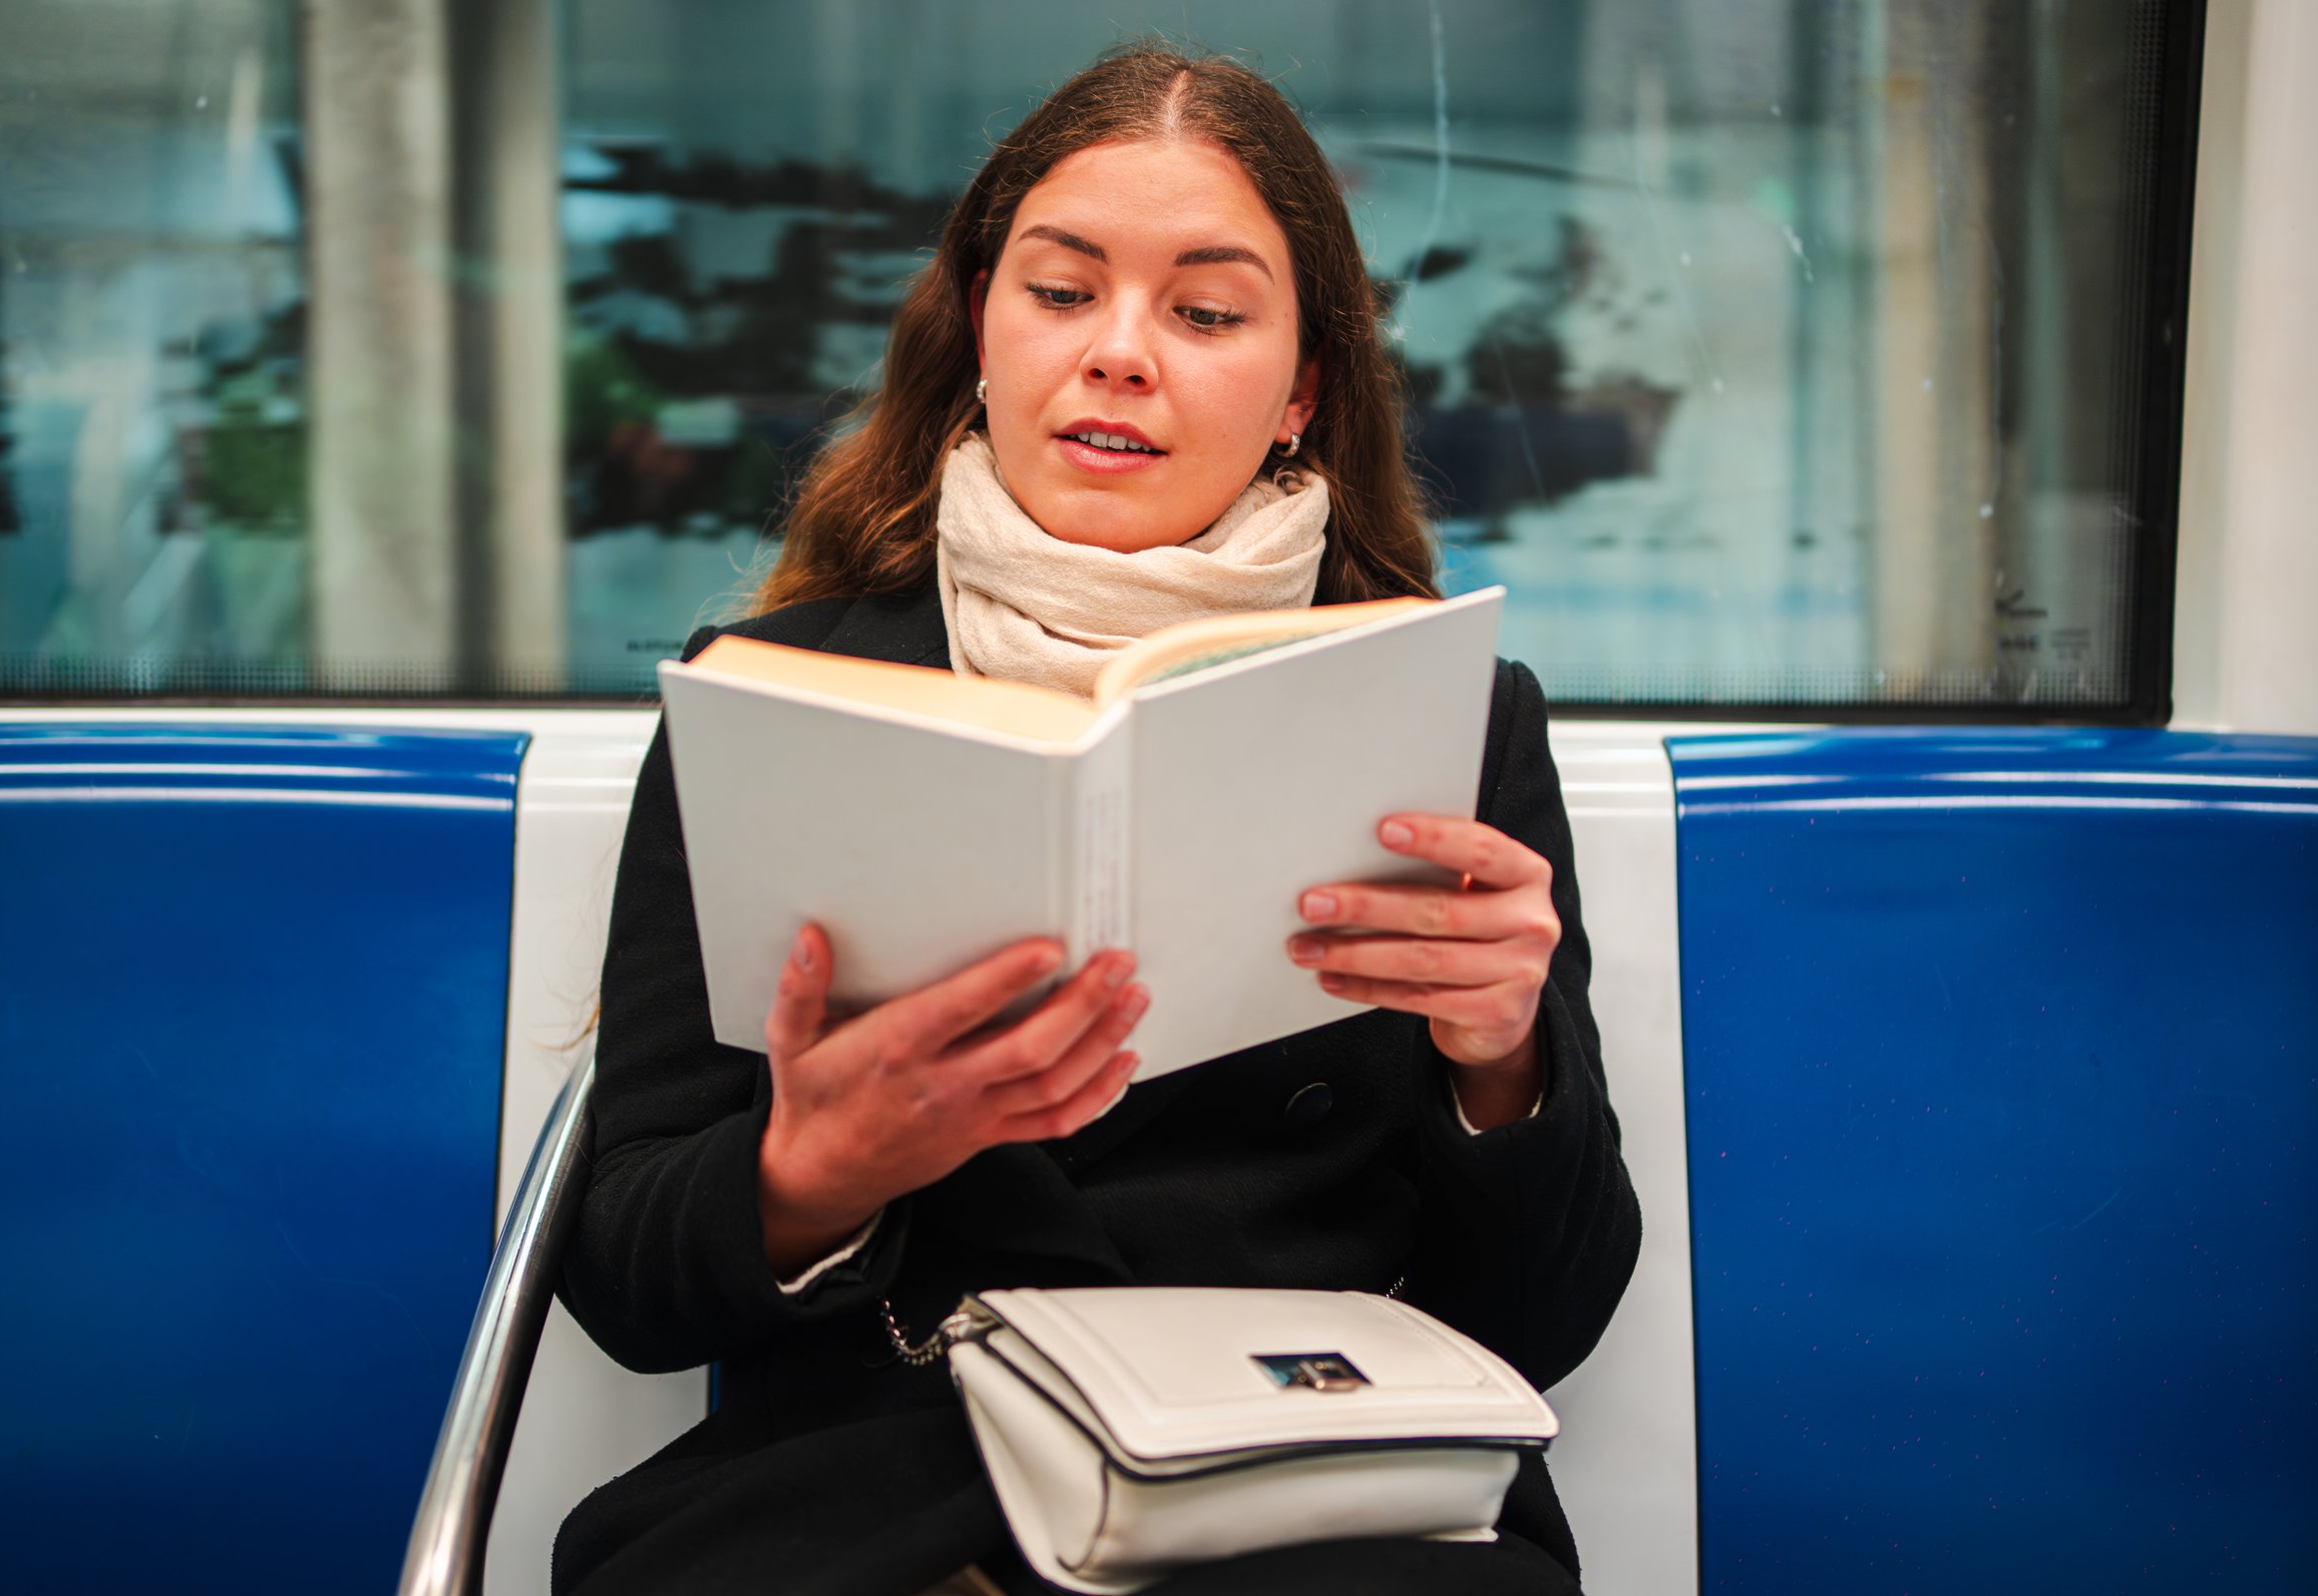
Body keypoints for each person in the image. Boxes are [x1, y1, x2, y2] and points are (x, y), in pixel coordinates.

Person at [556, 45, 1640, 1596]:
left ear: (1300, 392)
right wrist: (820, 1165)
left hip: (1315, 1478)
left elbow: (1540, 1322)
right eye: (1061, 292)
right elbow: (625, 1276)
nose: (1121, 353)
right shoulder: (779, 697)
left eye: (1204, 313)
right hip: (884, 1468)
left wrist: (1503, 1063)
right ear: (981, 334)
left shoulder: (1450, 711)